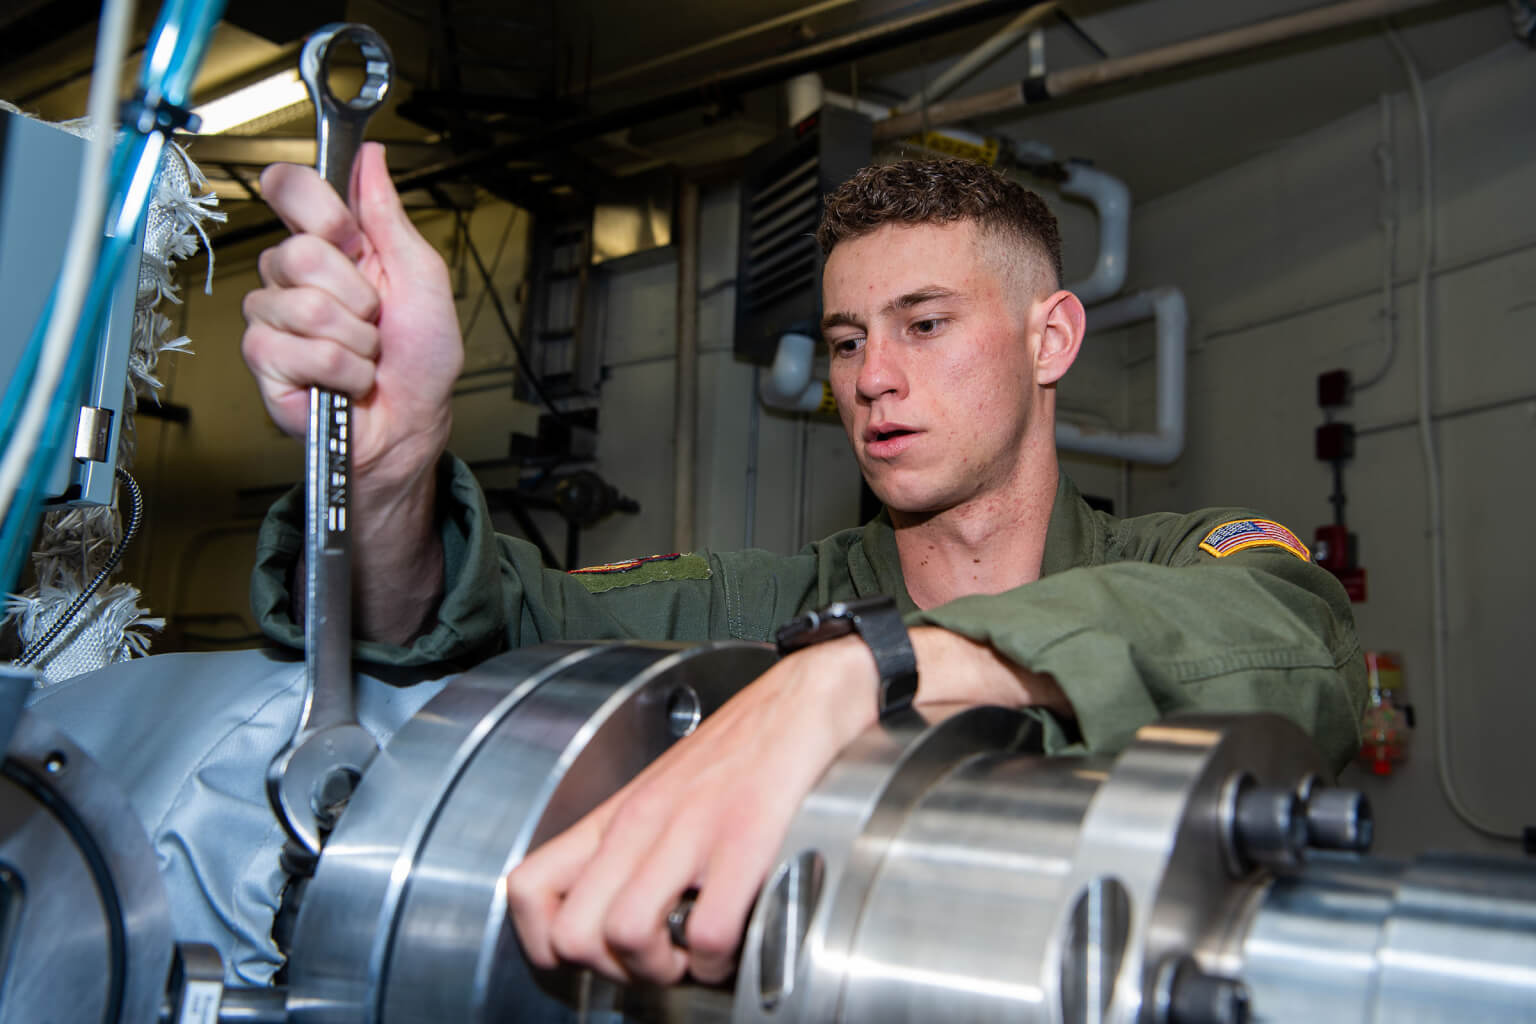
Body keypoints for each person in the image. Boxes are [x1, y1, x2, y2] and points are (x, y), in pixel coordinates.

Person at [241, 147, 1366, 989]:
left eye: (924, 324)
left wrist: (866, 675)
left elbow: (1295, 647)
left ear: (1050, 339)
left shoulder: (1172, 563)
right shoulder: (759, 612)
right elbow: (481, 622)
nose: (872, 376)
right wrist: (387, 478)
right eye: (844, 340)